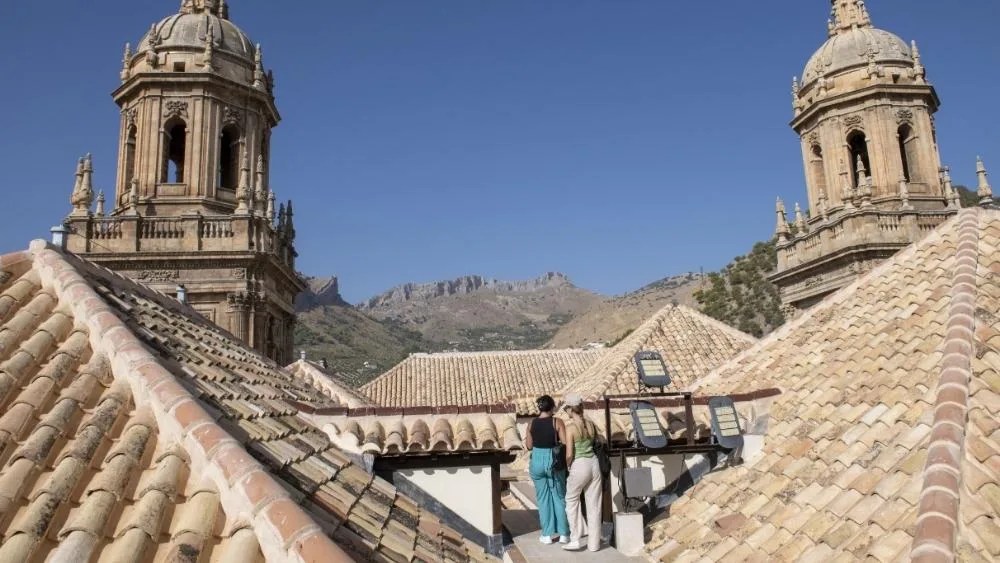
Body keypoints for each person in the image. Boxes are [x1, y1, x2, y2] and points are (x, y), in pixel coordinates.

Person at [525, 394, 570, 544]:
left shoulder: (531, 423)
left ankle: (546, 535)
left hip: (537, 460)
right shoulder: (557, 422)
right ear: (552, 407)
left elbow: (529, 446)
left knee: (543, 499)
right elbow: (564, 442)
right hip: (553, 461)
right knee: (559, 496)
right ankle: (564, 534)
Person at [561, 392, 603, 552]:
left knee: (571, 500)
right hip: (594, 463)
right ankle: (594, 544)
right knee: (594, 505)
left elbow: (570, 453)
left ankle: (575, 539)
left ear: (571, 409)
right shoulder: (590, 424)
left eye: (566, 409)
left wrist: (568, 466)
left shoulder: (571, 427)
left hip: (580, 464)